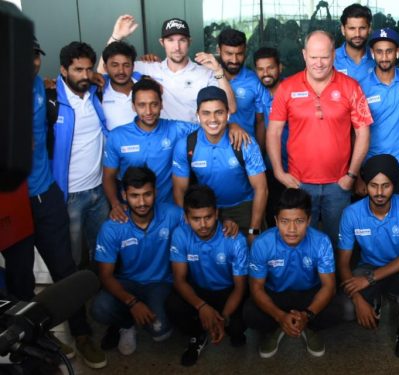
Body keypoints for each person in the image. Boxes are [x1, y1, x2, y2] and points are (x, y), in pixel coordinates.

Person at [2, 37, 106, 369]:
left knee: (65, 270)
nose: (30, 62)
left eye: (34, 56)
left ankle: (81, 333)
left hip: (46, 194)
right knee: (21, 280)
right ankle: (32, 340)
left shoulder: (40, 88)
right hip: (11, 201)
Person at [267, 30, 372, 245]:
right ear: (304, 55)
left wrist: (351, 176)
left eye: (324, 56)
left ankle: (335, 279)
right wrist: (279, 172)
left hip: (339, 184)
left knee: (339, 242)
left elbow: (363, 132)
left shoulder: (351, 87)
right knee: (301, 242)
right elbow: (274, 131)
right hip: (299, 184)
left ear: (333, 55)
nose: (319, 63)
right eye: (314, 57)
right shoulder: (287, 88)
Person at [104, 79, 249, 218]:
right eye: (142, 105)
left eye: (154, 104)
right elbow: (108, 176)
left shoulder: (176, 129)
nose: (148, 111)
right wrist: (115, 204)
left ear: (161, 105)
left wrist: (232, 126)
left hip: (170, 211)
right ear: (133, 106)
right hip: (134, 211)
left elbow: (211, 124)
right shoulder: (117, 136)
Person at [338, 154, 399, 358]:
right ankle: (374, 300)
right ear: (365, 185)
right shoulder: (352, 213)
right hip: (368, 267)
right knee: (347, 309)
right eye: (373, 185)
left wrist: (369, 279)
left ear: (394, 185)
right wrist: (359, 300)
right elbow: (342, 263)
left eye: (385, 186)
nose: (379, 192)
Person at [91, 167, 181, 356]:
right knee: (99, 308)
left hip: (160, 284)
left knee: (160, 331)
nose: (141, 202)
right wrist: (133, 303)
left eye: (147, 194)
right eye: (134, 195)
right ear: (124, 195)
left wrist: (226, 221)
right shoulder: (112, 227)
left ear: (155, 192)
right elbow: (105, 276)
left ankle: (147, 315)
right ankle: (126, 324)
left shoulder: (172, 214)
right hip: (127, 283)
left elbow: (202, 224)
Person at [245, 188, 340, 358]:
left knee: (344, 308)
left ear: (309, 220)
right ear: (275, 221)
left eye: (299, 221)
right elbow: (256, 288)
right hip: (276, 295)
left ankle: (308, 326)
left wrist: (307, 315)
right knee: (249, 312)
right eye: (284, 221)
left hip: (309, 295)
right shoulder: (262, 243)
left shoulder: (321, 241)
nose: (291, 229)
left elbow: (329, 286)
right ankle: (277, 327)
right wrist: (280, 316)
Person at [166, 185, 249, 366]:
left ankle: (224, 326)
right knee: (173, 305)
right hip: (199, 290)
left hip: (228, 291)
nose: (203, 225)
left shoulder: (235, 239)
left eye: (208, 217)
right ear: (186, 218)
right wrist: (202, 307)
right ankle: (198, 334)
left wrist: (223, 318)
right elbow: (179, 280)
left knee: (240, 324)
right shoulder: (180, 235)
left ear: (217, 213)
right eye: (196, 219)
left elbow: (240, 287)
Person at [173, 86, 267, 240]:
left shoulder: (245, 143)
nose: (213, 119)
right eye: (206, 113)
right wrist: (188, 223)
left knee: (253, 255)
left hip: (244, 208)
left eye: (219, 112)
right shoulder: (185, 145)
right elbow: (179, 191)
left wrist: (254, 230)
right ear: (197, 115)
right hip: (205, 212)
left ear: (228, 114)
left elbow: (261, 188)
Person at [104, 15, 236, 122]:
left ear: (189, 42)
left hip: (192, 142)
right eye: (171, 40)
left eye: (182, 40)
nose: (177, 47)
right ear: (162, 42)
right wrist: (116, 36)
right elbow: (108, 67)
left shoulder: (205, 73)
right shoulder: (147, 68)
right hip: (160, 145)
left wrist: (219, 71)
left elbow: (231, 108)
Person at [52, 41, 110, 267]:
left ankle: (102, 298)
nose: (85, 75)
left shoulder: (95, 93)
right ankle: (78, 301)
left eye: (89, 69)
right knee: (73, 258)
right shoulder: (52, 101)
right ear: (64, 70)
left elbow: (119, 67)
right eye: (78, 69)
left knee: (103, 254)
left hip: (99, 191)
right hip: (70, 197)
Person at [360, 28, 399, 196]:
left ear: (398, 52)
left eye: (389, 51)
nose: (384, 57)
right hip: (372, 164)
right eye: (379, 52)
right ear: (372, 53)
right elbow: (354, 131)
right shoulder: (362, 86)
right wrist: (357, 173)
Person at [253, 47, 287, 228]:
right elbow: (260, 123)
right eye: (260, 69)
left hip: (295, 165)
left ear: (280, 67)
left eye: (271, 67)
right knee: (272, 212)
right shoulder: (261, 92)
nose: (266, 73)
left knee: (296, 211)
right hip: (271, 165)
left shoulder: (293, 88)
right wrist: (259, 156)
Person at [217, 28, 267, 140]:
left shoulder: (254, 81)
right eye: (229, 53)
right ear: (218, 50)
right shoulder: (208, 77)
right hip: (214, 150)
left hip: (246, 148)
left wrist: (258, 152)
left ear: (245, 51)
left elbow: (260, 122)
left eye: (239, 54)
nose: (234, 60)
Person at [101, 41, 142, 130]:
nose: (121, 71)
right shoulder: (97, 92)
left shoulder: (145, 88)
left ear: (133, 66)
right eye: (115, 65)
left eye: (126, 65)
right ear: (105, 67)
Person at [334, 4, 375, 82]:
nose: (357, 34)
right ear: (343, 30)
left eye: (362, 28)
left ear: (369, 29)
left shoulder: (378, 58)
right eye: (352, 28)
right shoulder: (331, 59)